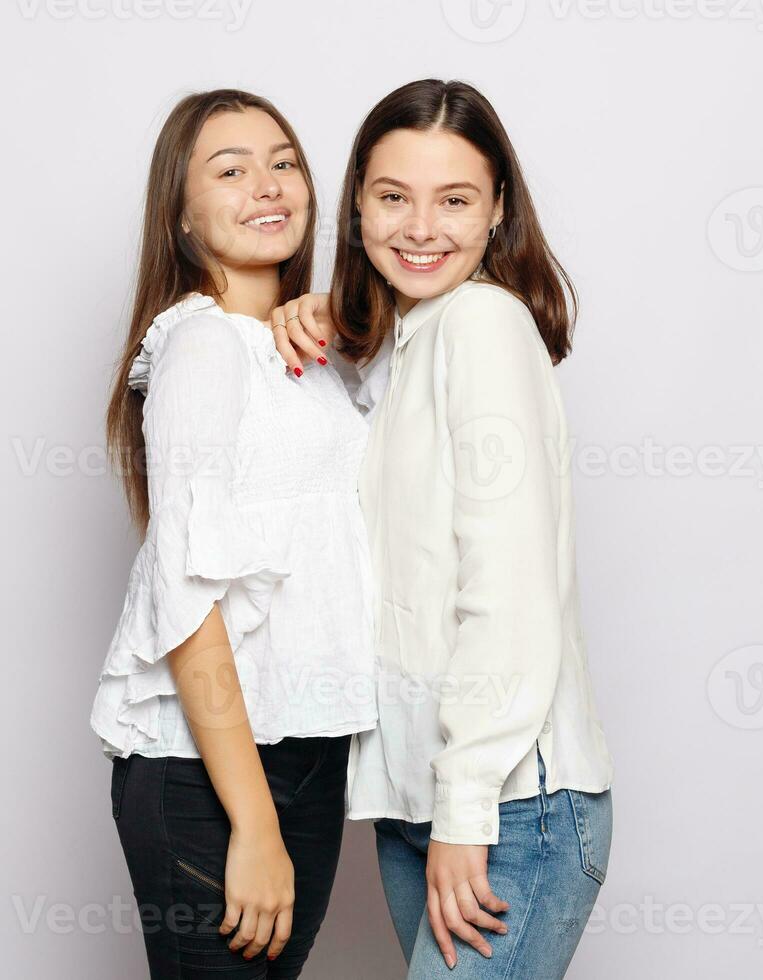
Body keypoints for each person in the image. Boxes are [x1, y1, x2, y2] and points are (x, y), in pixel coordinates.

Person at [270, 78, 616, 979]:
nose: (421, 227)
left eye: (455, 200)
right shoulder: (401, 349)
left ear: (499, 211)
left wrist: (466, 813)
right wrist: (313, 324)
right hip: (419, 801)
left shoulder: (484, 327)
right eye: (393, 198)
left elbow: (506, 594)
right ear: (356, 208)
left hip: (505, 807)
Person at [92, 89, 378, 979]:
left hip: (305, 755)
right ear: (180, 217)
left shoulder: (311, 353)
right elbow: (185, 594)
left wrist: (346, 316)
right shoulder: (202, 348)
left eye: (284, 161)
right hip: (210, 774)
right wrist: (252, 822)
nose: (268, 184)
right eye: (231, 168)